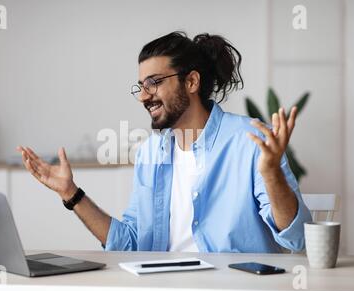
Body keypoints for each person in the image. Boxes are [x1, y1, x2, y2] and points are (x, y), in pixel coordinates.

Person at [17, 31, 311, 253]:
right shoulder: (150, 154)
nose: (144, 95)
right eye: (141, 86)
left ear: (191, 82)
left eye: (154, 82)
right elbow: (131, 245)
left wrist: (272, 174)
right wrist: (71, 194)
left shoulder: (250, 141)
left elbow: (296, 238)